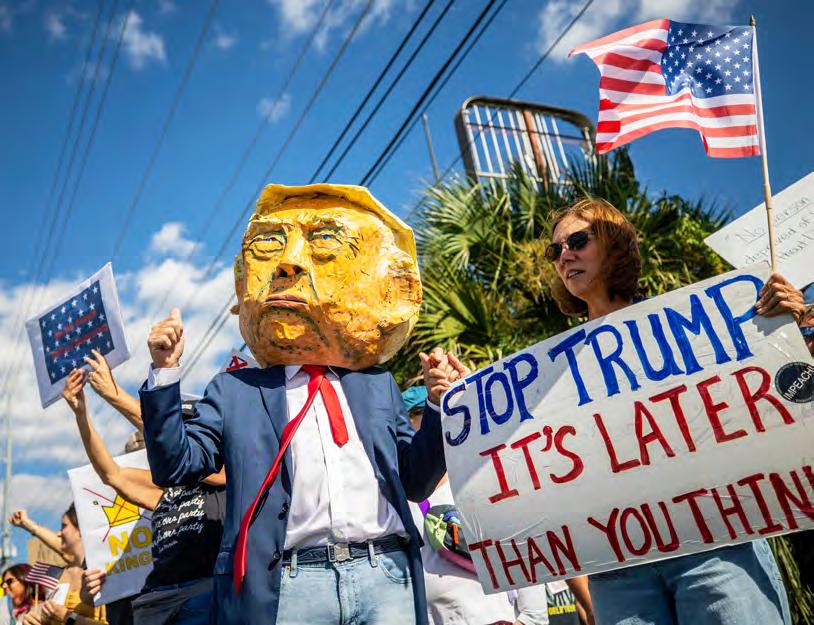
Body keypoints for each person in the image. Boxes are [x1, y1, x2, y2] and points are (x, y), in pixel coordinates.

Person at [139, 183, 450, 625]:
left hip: (385, 574)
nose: (289, 263)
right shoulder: (235, 390)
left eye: (326, 242)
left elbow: (415, 482)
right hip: (291, 585)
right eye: (267, 245)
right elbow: (175, 466)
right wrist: (165, 373)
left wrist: (437, 406)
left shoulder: (377, 386)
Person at [544, 197, 800, 625]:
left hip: (716, 543)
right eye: (555, 250)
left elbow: (764, 396)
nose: (564, 255)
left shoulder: (696, 325)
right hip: (619, 570)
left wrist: (784, 325)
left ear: (614, 243)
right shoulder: (549, 375)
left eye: (578, 241)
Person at [62, 358, 225, 625]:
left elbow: (172, 445)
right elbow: (111, 474)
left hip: (202, 592)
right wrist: (81, 413)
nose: (176, 438)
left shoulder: (226, 474)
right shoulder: (161, 489)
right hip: (156, 601)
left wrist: (113, 393)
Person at [403, 386, 551, 625]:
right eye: (428, 415)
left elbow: (517, 546)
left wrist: (531, 617)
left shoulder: (481, 482)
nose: (441, 424)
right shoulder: (398, 497)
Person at [12, 506, 106, 625]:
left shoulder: (101, 574)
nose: (58, 533)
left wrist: (67, 617)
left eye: (64, 526)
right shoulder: (60, 576)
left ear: (81, 529)